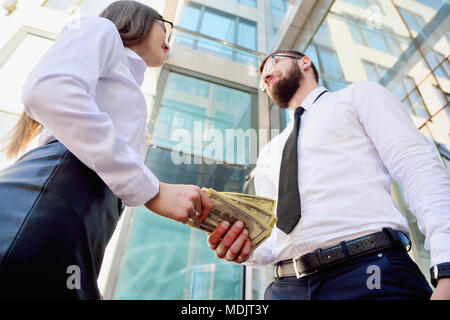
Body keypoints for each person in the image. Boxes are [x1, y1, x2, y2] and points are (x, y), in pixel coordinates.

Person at [0, 0, 213, 299]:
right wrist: (153, 190)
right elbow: (50, 90)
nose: (168, 37)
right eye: (164, 26)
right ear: (137, 18)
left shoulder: (125, 84)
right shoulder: (101, 29)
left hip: (69, 227)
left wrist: (88, 273)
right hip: (45, 209)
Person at [207, 49, 450, 300]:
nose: (266, 77)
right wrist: (244, 249)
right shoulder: (269, 152)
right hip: (285, 288)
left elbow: (418, 168)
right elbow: (272, 241)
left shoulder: (358, 97)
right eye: (262, 79)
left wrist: (447, 265)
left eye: (271, 63)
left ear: (304, 62)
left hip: (370, 274)